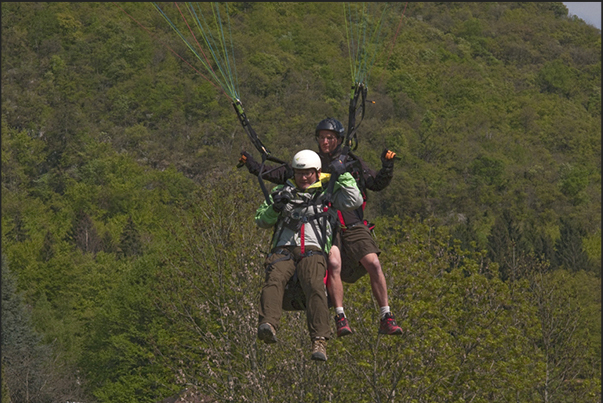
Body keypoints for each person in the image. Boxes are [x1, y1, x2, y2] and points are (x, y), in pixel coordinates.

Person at [240, 117, 402, 338]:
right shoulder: (311, 165)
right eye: (322, 137)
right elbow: (280, 174)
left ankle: (386, 316)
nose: (325, 142)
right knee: (333, 262)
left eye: (330, 138)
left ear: (338, 139)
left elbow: (375, 183)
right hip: (327, 222)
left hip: (352, 222)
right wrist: (252, 166)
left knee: (373, 262)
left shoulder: (351, 163)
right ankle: (339, 316)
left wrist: (387, 166)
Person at [255, 149, 363, 362]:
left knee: (314, 284)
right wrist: (276, 207)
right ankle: (268, 323)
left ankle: (320, 339)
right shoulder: (281, 191)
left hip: (313, 248)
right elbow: (261, 220)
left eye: (308, 173)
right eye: (299, 173)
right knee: (274, 279)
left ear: (317, 172)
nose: (303, 178)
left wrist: (342, 174)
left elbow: (355, 199)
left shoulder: (327, 193)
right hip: (283, 248)